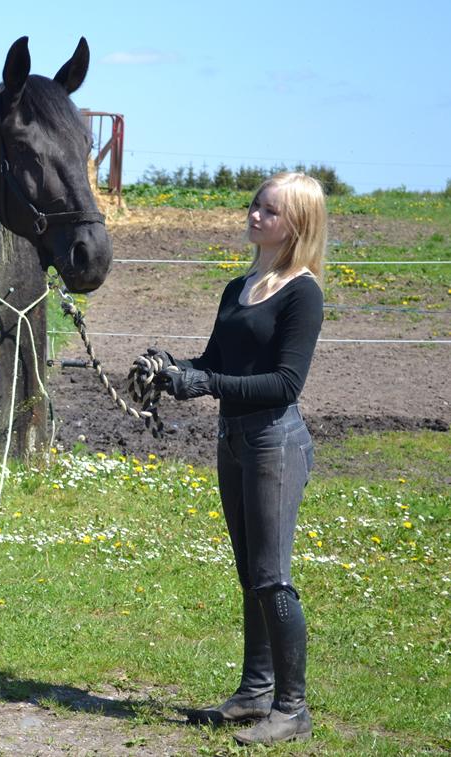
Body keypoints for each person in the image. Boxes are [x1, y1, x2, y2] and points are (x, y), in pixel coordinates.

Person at [150, 172, 327, 745]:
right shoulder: (239, 287)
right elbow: (212, 360)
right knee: (250, 573)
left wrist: (206, 383)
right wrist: (173, 370)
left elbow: (284, 384)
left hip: (276, 442)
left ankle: (292, 707)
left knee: (273, 577)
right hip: (234, 440)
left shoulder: (303, 293)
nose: (254, 215)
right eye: (254, 205)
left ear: (296, 224)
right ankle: (255, 691)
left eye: (269, 211)